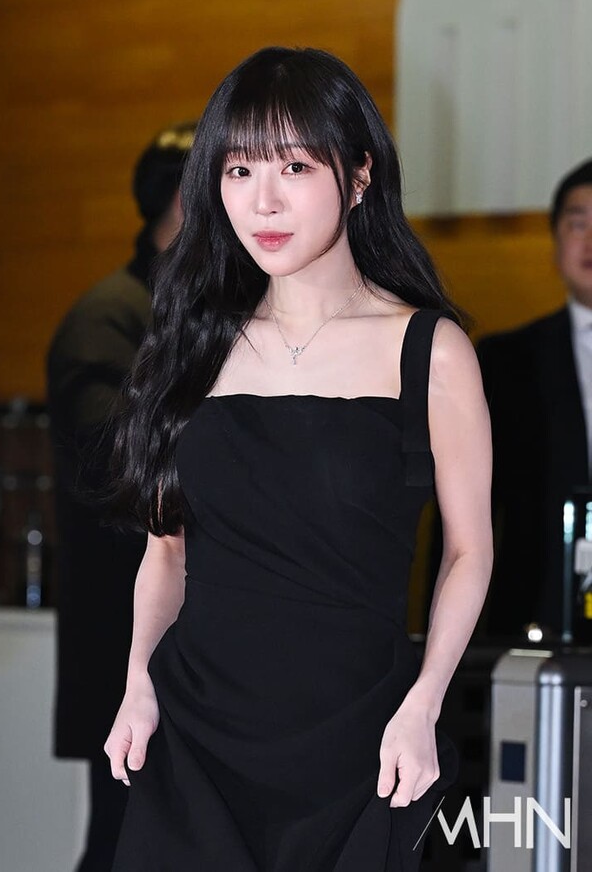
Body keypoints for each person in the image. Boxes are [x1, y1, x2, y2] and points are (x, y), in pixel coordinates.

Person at [104, 47, 492, 871]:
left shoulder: (429, 350)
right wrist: (138, 682)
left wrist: (425, 704)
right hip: (196, 735)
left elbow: (468, 550)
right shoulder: (194, 345)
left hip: (361, 741)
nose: (264, 201)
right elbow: (165, 553)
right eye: (239, 170)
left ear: (359, 177)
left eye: (295, 166)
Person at [47, 121, 196, 872]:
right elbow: (117, 464)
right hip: (125, 632)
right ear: (185, 198)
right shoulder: (107, 317)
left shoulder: (194, 307)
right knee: (122, 841)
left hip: (190, 634)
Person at [478, 158, 592, 639]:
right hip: (535, 614)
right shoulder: (505, 360)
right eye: (577, 223)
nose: (590, 240)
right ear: (555, 244)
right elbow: (470, 513)